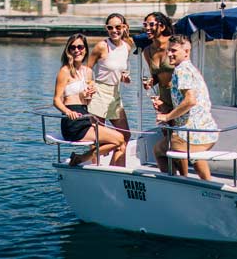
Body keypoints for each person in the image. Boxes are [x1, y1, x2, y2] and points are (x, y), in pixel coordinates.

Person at [53, 33, 126, 166]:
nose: (77, 50)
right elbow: (57, 100)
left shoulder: (88, 71)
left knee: (120, 141)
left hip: (85, 116)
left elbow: (85, 99)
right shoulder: (64, 71)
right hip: (72, 121)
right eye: (73, 48)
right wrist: (67, 111)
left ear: (85, 49)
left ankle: (83, 159)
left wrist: (88, 95)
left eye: (80, 47)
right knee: (119, 140)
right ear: (68, 50)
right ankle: (82, 158)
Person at [153, 35, 218, 180]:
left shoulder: (181, 70)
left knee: (159, 149)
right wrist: (164, 105)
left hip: (192, 133)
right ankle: (207, 184)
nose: (169, 54)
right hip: (208, 132)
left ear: (186, 52)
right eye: (168, 50)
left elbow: (190, 101)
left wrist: (167, 117)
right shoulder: (191, 69)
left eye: (174, 51)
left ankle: (173, 185)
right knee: (194, 157)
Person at [87, 13, 133, 166]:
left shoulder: (127, 46)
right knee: (99, 137)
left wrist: (125, 77)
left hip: (115, 93)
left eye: (118, 27)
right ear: (106, 29)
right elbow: (88, 68)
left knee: (125, 135)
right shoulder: (102, 46)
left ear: (124, 27)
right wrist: (90, 83)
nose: (114, 30)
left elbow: (120, 70)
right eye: (110, 27)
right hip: (99, 92)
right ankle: (94, 167)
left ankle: (115, 167)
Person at [141, 12, 174, 115]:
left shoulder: (174, 44)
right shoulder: (147, 51)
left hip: (178, 94)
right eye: (145, 25)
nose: (147, 28)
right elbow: (155, 77)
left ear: (162, 27)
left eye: (151, 24)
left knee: (178, 129)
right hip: (163, 97)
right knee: (166, 129)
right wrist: (150, 82)